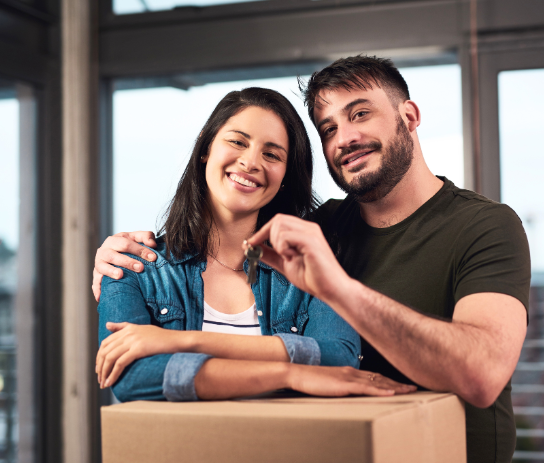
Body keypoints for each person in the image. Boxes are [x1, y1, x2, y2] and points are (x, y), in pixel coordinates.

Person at [94, 57, 530, 463]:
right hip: (337, 462)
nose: (346, 137)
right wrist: (108, 258)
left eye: (361, 113)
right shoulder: (314, 235)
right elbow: (129, 374)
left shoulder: (483, 226)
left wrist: (177, 342)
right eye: (329, 128)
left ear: (410, 116)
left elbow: (479, 373)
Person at [95, 87, 415, 403]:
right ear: (206, 147)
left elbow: (338, 357)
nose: (251, 162)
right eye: (237, 141)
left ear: (285, 175)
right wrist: (289, 373)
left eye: (271, 154)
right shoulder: (133, 266)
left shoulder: (309, 269)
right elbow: (130, 376)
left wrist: (181, 341)